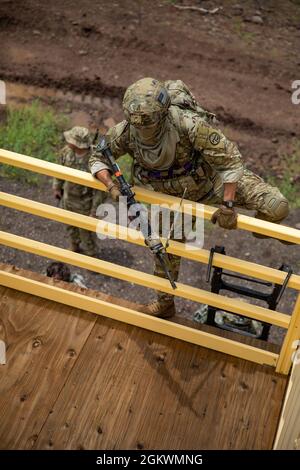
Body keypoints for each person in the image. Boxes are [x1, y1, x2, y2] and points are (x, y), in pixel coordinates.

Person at [88, 78, 290, 318]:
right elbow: (98, 157)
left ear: (162, 115)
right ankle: (165, 303)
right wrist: (110, 184)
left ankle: (263, 228)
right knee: (164, 252)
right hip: (171, 199)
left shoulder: (188, 125)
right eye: (139, 125)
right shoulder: (126, 131)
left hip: (210, 183)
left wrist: (227, 205)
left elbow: (230, 161)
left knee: (277, 207)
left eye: (150, 123)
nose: (145, 130)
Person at [53, 126, 106, 257]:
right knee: (70, 226)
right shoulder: (66, 152)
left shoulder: (94, 160)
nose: (67, 141)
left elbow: (101, 191)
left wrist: (94, 211)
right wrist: (57, 187)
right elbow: (59, 170)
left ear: (77, 144)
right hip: (67, 198)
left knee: (86, 232)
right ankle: (74, 246)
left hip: (85, 204)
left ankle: (91, 255)